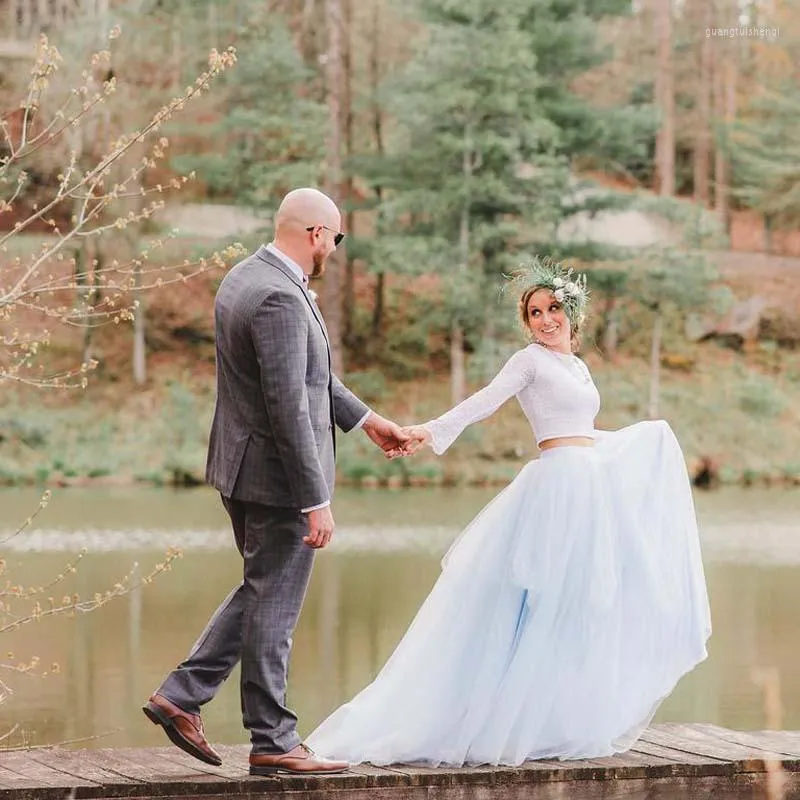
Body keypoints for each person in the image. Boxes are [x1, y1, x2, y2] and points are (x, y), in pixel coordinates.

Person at [307, 258, 712, 767]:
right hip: (556, 492)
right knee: (540, 605)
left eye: (553, 309)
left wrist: (641, 442)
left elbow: (581, 430)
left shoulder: (578, 367)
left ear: (572, 314)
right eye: (535, 313)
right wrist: (427, 431)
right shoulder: (529, 362)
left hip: (588, 489)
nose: (545, 320)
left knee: (586, 605)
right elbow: (484, 402)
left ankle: (556, 720)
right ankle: (494, 721)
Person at [143, 187, 409, 777]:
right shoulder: (278, 298)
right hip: (276, 477)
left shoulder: (246, 275)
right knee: (276, 605)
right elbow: (288, 404)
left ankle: (182, 696)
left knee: (264, 589)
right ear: (317, 234)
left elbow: (312, 379)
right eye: (335, 239)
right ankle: (273, 740)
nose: (334, 251)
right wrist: (315, 500)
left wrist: (367, 421)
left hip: (243, 468)